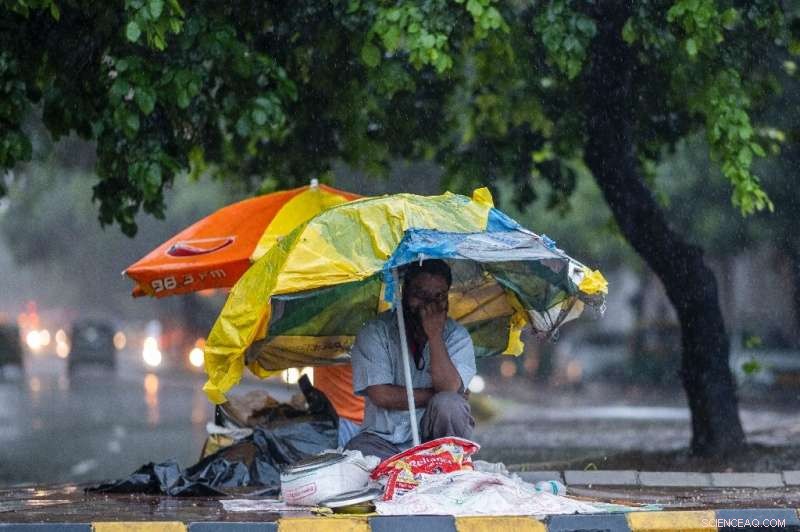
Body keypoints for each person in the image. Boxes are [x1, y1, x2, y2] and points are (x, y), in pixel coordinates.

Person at [345, 259, 475, 460]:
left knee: (450, 403)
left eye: (438, 296)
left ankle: (448, 467)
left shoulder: (457, 336)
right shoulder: (375, 331)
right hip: (383, 442)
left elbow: (449, 391)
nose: (428, 305)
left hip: (435, 446)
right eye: (420, 295)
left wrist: (434, 335)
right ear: (404, 292)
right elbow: (382, 395)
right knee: (356, 452)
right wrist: (433, 395)